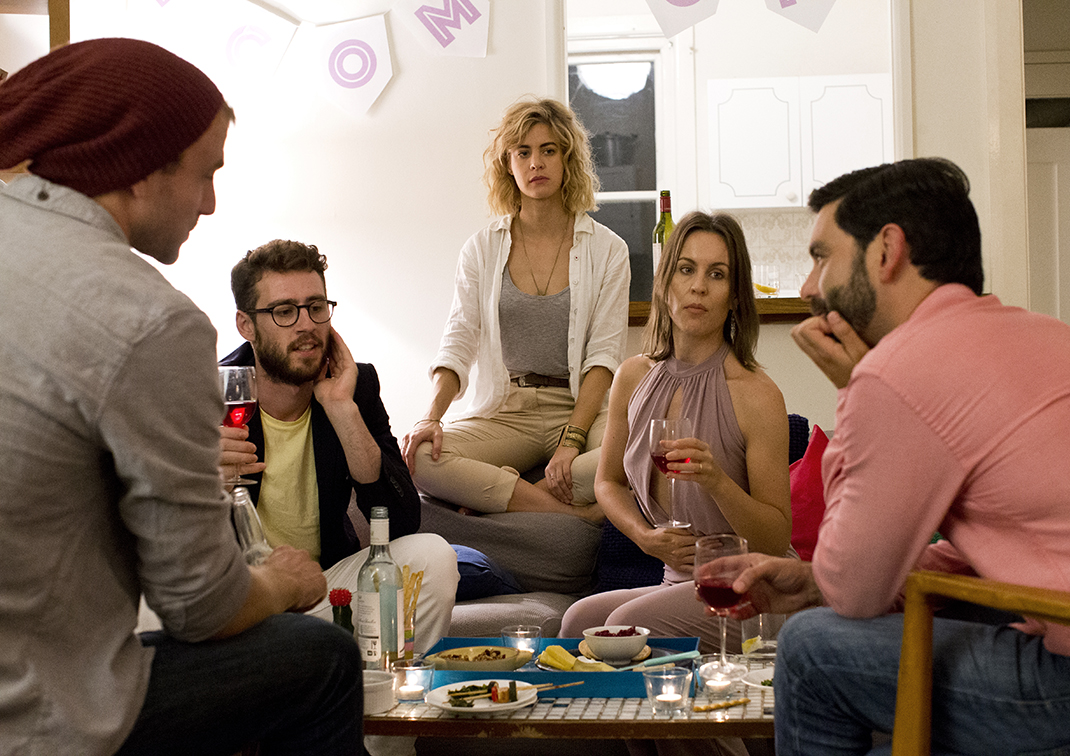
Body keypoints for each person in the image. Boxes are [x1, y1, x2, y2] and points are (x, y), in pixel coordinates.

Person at [0, 39, 363, 756]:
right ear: (141, 167)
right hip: (37, 715)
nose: (211, 203)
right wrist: (283, 583)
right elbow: (201, 606)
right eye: (206, 174)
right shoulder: (148, 318)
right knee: (320, 658)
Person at [701, 157, 1070, 755]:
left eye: (822, 257)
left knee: (809, 650)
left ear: (887, 251)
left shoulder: (901, 371)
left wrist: (853, 391)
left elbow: (855, 593)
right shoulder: (1038, 333)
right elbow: (1023, 546)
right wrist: (813, 582)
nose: (807, 288)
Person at [559, 211, 792, 653]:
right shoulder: (632, 376)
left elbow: (776, 539)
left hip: (750, 585)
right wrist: (645, 537)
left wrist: (716, 480)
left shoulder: (757, 394)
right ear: (665, 284)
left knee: (625, 626)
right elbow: (608, 483)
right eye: (686, 269)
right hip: (678, 582)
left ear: (735, 296)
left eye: (717, 274)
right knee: (578, 621)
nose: (698, 286)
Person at [218, 238, 459, 655]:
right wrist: (203, 480)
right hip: (243, 598)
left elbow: (402, 522)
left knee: (433, 555)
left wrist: (342, 411)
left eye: (316, 307)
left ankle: (378, 688)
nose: (306, 324)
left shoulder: (355, 386)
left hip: (323, 591)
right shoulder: (211, 395)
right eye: (284, 311)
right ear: (246, 325)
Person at [400, 97, 630, 521]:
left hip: (578, 410)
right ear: (508, 164)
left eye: (548, 150)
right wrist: (430, 418)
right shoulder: (481, 248)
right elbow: (458, 342)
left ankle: (512, 497)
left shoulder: (609, 250)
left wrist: (572, 441)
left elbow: (603, 358)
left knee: (637, 454)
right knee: (419, 458)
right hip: (508, 412)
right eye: (522, 152)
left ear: (567, 159)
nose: (535, 163)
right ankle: (575, 513)